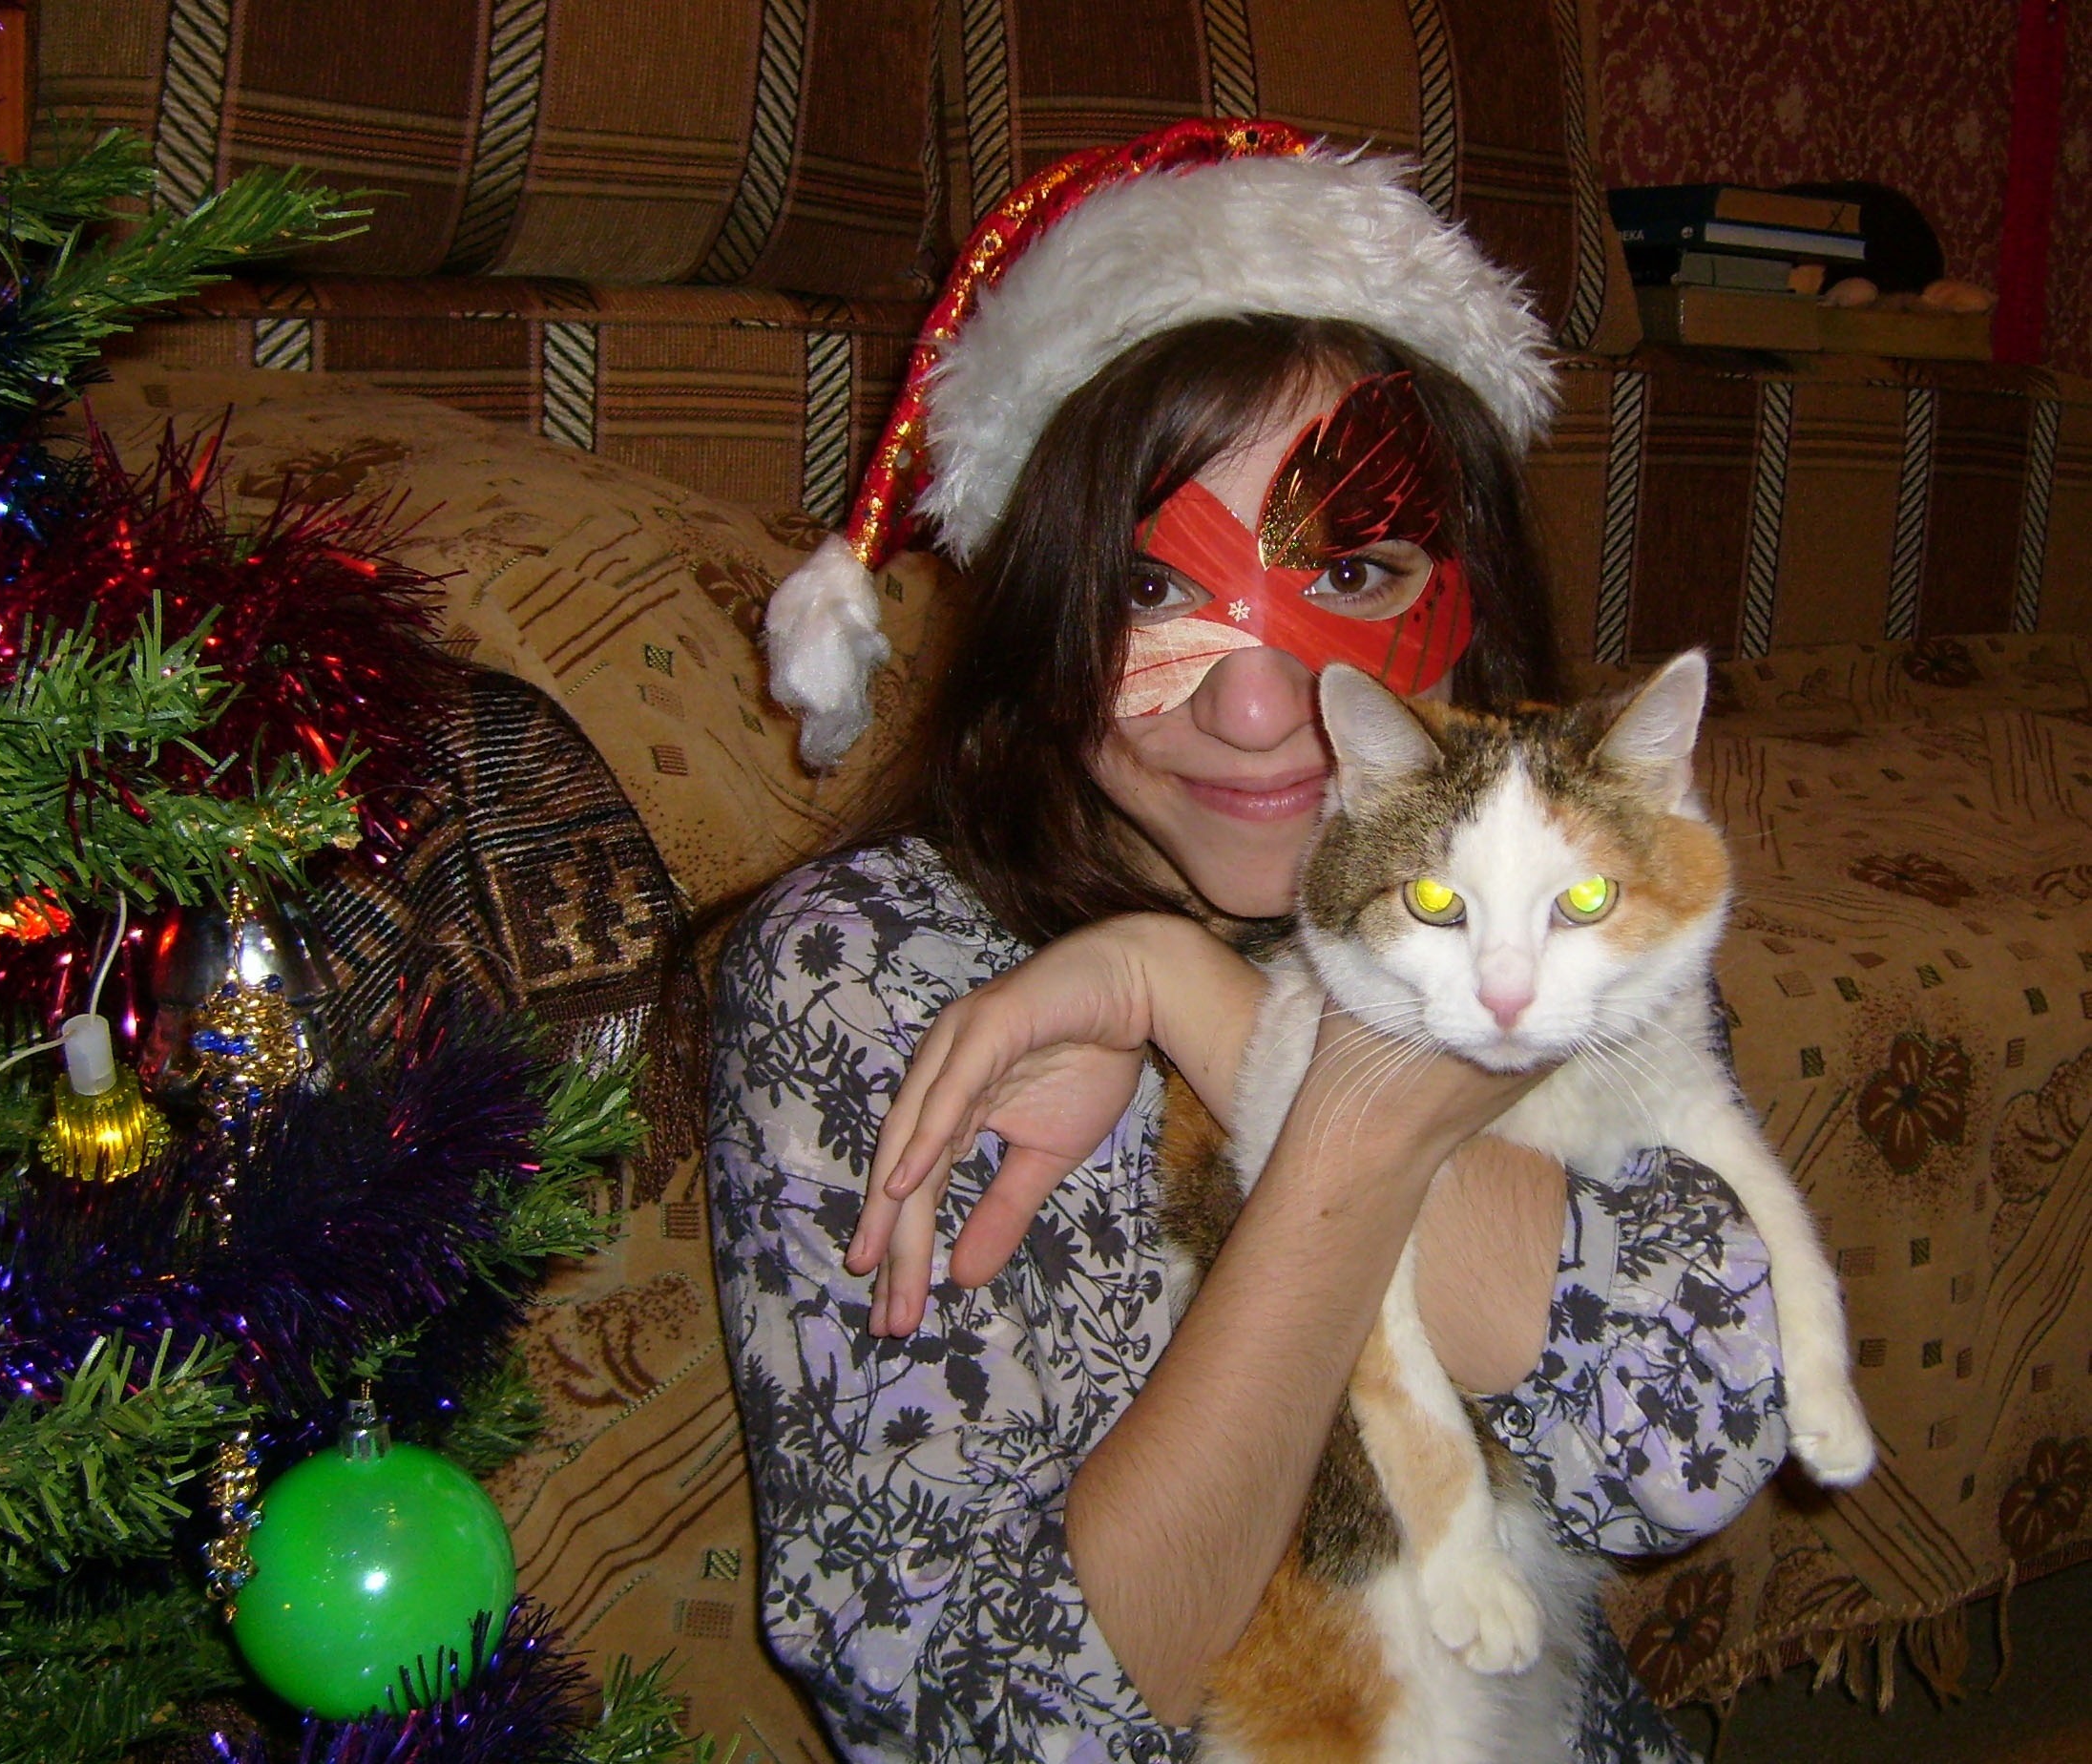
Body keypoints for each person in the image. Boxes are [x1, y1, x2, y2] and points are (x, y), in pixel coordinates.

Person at [708, 119, 1785, 1764]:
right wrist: (1351, 1131)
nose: (1263, 707)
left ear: (1470, 590)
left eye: (1349, 567)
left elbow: (1680, 1444)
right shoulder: (863, 979)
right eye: (1153, 594)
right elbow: (984, 1725)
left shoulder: (1555, 904)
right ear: (1039, 607)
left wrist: (1194, 998)